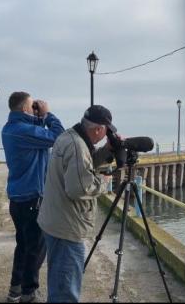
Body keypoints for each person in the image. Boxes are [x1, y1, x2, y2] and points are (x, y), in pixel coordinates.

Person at [37, 105, 117, 303]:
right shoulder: (77, 146)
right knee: (66, 291)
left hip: (56, 221)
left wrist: (106, 151)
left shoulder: (70, 137)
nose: (106, 135)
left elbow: (82, 167)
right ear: (99, 129)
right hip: (67, 227)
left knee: (58, 282)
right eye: (106, 131)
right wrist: (104, 183)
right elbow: (79, 188)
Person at [1, 91, 65, 303]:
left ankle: (15, 288)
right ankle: (29, 292)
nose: (35, 107)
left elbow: (37, 134)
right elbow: (59, 137)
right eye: (32, 105)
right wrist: (47, 115)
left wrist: (38, 118)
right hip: (32, 198)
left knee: (24, 244)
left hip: (19, 197)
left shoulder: (11, 128)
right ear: (24, 109)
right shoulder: (22, 130)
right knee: (36, 248)